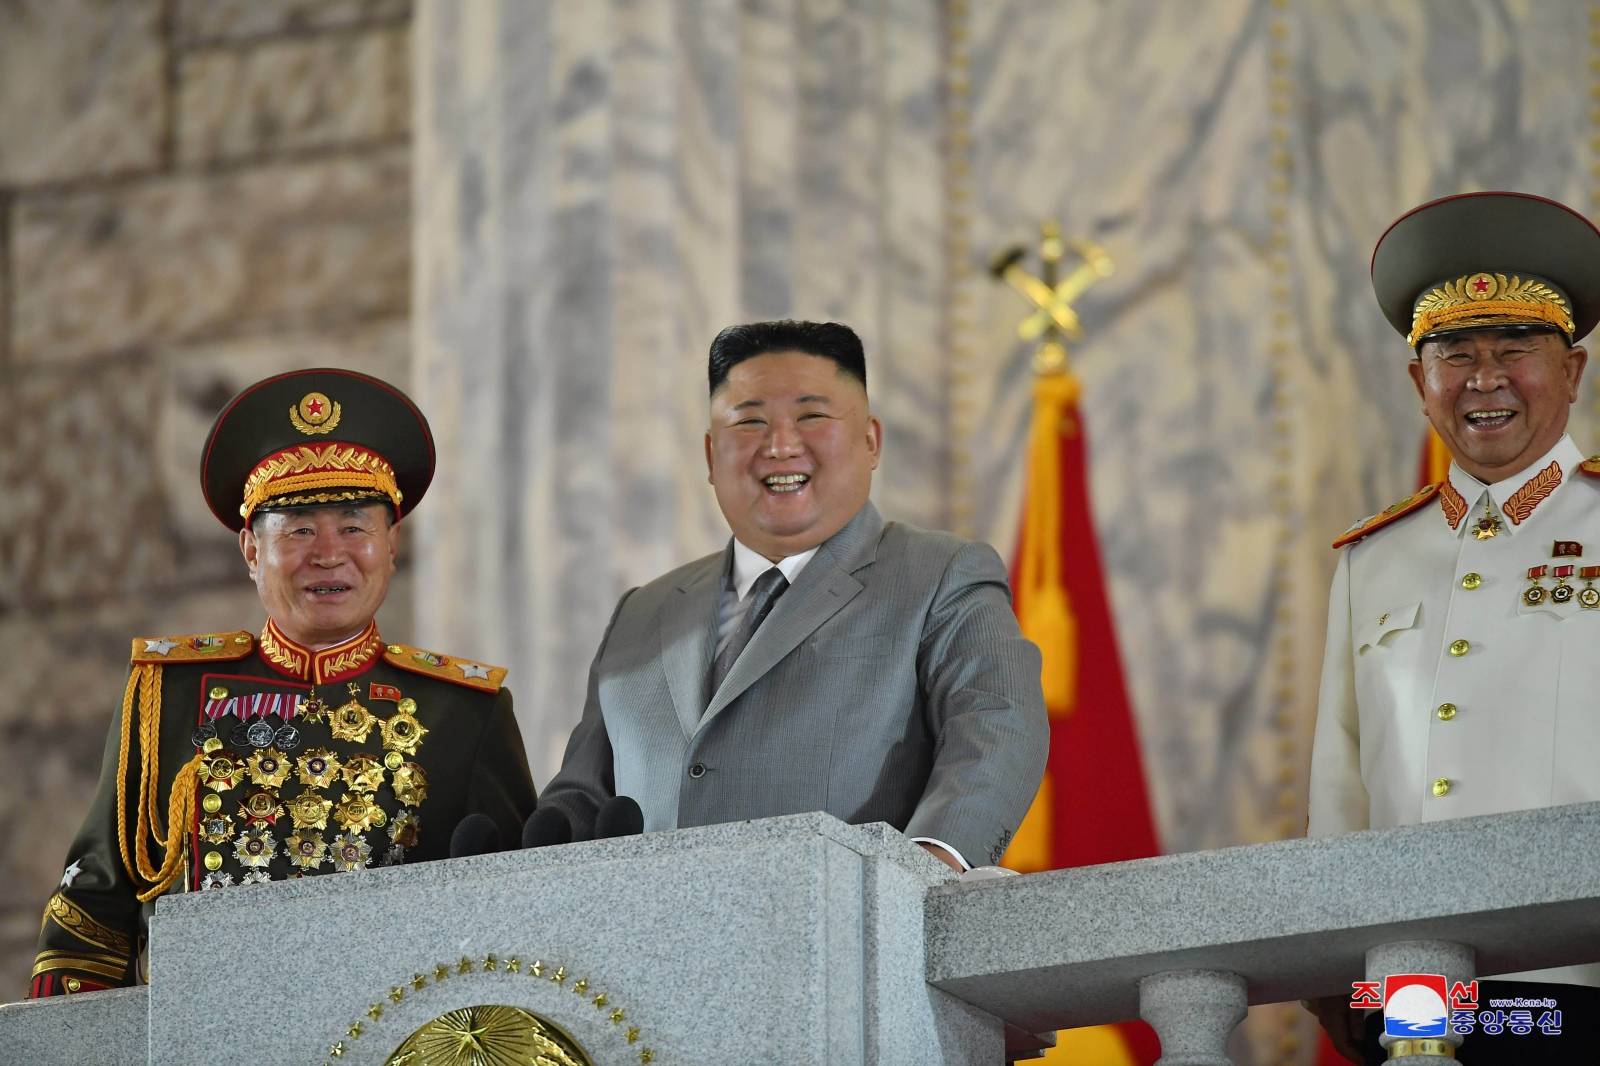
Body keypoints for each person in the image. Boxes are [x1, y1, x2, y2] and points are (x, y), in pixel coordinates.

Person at [28, 368, 536, 998]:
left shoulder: (463, 711)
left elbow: (516, 922)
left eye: (355, 527)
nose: (328, 554)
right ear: (249, 550)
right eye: (297, 530)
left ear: (391, 544)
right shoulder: (171, 696)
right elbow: (90, 919)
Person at [538, 320, 1048, 872]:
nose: (780, 446)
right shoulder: (642, 611)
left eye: (812, 416)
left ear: (870, 441)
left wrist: (925, 875)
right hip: (646, 944)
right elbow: (582, 796)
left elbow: (998, 724)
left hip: (845, 936)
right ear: (711, 456)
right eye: (750, 421)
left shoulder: (939, 574)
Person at [1307, 191, 1600, 1063]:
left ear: (1574, 371)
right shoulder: (1373, 559)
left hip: (1576, 986)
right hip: (1412, 991)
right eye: (1456, 353)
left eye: (1517, 349)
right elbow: (1341, 780)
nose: (1485, 377)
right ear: (1418, 381)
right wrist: (1332, 961)